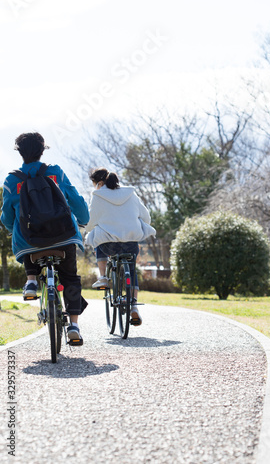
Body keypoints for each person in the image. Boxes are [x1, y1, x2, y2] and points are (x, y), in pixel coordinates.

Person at [1, 132, 90, 344]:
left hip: (30, 242)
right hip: (64, 237)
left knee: (21, 236)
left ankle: (31, 281)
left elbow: (7, 216)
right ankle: (74, 326)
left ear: (20, 153)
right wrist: (84, 219)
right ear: (43, 150)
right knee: (69, 278)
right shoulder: (56, 173)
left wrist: (12, 229)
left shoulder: (12, 180)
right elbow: (75, 199)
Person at [85, 167, 156, 326]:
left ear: (100, 183)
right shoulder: (131, 194)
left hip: (109, 245)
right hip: (131, 242)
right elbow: (146, 217)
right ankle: (134, 307)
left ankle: (103, 277)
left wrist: (88, 228)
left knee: (96, 235)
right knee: (131, 268)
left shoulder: (97, 196)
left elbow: (90, 223)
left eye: (95, 184)